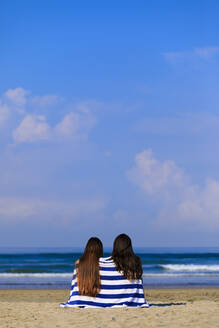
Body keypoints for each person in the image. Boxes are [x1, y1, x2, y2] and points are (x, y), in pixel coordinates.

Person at [60, 234, 149, 308]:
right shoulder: (135, 262)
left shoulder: (79, 264)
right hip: (131, 300)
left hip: (82, 300)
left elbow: (74, 289)